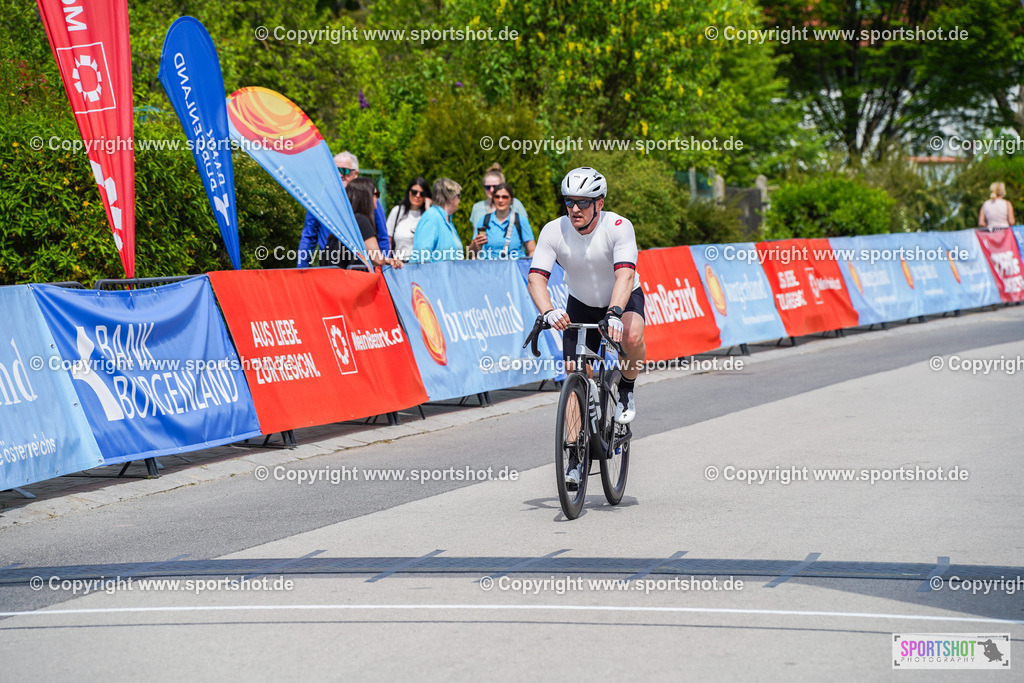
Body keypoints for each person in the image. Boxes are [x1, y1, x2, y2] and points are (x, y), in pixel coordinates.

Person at [527, 167, 647, 488]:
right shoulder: (553, 231)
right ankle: (575, 457)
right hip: (580, 301)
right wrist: (549, 311)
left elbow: (625, 275)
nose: (575, 209)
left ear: (600, 203)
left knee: (633, 335)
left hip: (622, 298)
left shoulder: (619, 227)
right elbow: (536, 277)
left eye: (583, 202)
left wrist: (615, 313)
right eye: (569, 202)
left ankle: (625, 390)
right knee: (575, 373)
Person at [325, 176, 403, 270]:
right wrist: (389, 260)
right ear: (366, 197)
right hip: (350, 281)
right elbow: (377, 258)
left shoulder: (345, 221)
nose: (377, 198)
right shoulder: (361, 221)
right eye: (376, 194)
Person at [296, 151, 358, 267]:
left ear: (356, 174)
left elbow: (382, 236)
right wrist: (301, 269)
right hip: (329, 264)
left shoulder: (368, 197)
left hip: (359, 265)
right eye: (335, 170)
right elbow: (309, 236)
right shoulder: (321, 198)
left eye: (344, 170)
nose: (340, 175)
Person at [469, 183, 536, 260]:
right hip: (489, 269)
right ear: (493, 199)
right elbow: (471, 252)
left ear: (511, 200)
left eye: (505, 197)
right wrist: (475, 244)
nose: (500, 200)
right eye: (497, 197)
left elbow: (532, 250)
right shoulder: (484, 220)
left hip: (515, 269)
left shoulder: (521, 220)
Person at [409, 178, 464, 262]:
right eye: (458, 196)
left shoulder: (447, 221)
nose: (459, 200)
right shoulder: (431, 217)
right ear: (451, 198)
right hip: (435, 275)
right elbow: (422, 258)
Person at [469, 163, 529, 228]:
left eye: (495, 186)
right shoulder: (477, 208)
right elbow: (475, 235)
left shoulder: (516, 204)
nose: (491, 190)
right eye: (487, 187)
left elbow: (526, 231)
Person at [387, 177, 431, 261]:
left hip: (421, 266)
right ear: (409, 192)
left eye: (422, 194)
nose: (417, 196)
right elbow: (388, 241)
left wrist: (428, 207)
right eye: (414, 192)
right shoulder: (397, 211)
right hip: (399, 265)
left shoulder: (427, 215)